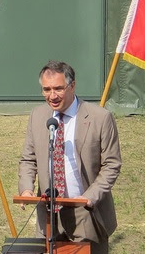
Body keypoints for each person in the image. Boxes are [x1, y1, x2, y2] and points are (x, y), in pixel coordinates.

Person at [19, 61, 121, 254]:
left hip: (86, 213)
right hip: (49, 216)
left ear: (72, 85)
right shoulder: (38, 116)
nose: (52, 96)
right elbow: (28, 159)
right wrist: (25, 189)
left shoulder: (100, 118)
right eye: (46, 89)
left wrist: (90, 197)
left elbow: (111, 164)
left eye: (58, 88)